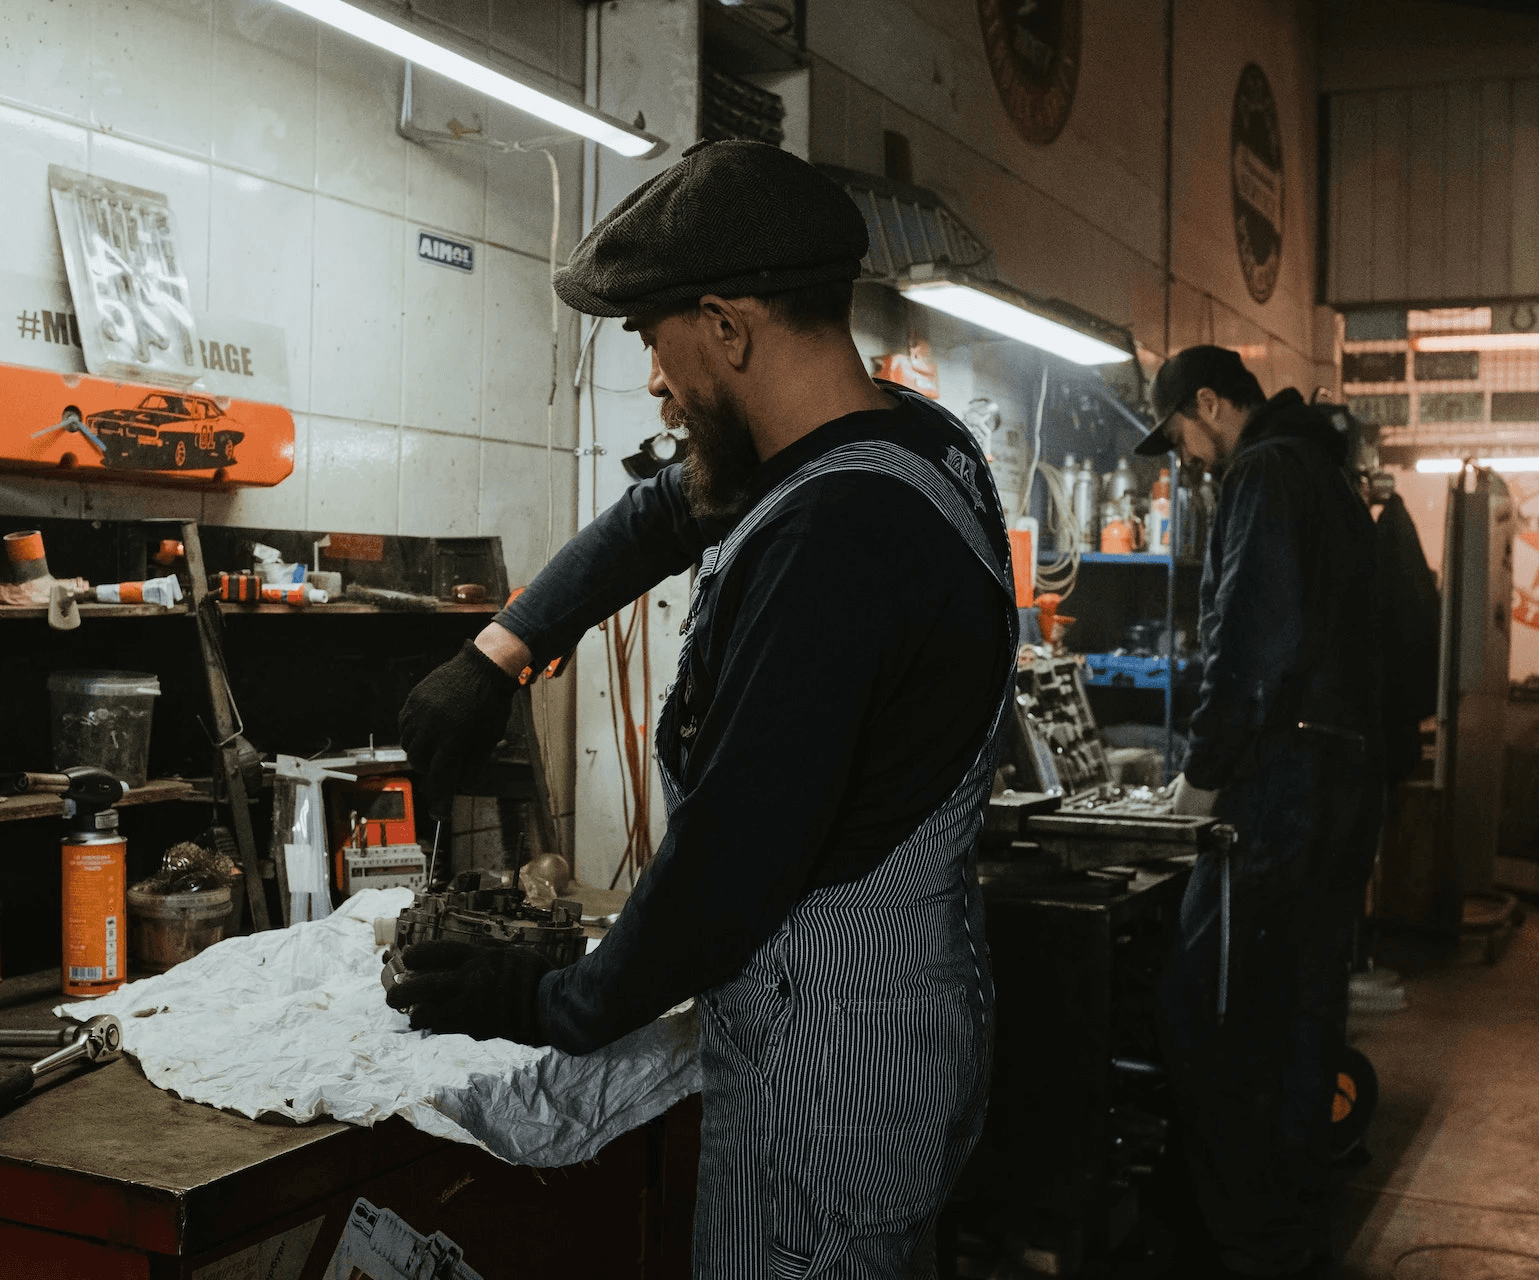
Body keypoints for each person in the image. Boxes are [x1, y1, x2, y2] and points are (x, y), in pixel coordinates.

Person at [390, 139, 1019, 1277]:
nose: (650, 378)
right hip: (908, 1011)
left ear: (727, 327)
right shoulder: (903, 440)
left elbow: (723, 873)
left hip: (825, 1068)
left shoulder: (833, 546)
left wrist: (544, 998)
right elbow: (660, 512)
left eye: (650, 336)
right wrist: (501, 649)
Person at [1138, 346, 1383, 1280]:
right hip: (1343, 778)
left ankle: (1239, 1242)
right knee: (1300, 1017)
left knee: (1210, 1015)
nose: (1187, 459)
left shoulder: (1266, 471)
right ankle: (1284, 1234)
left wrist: (1201, 777)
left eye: (1183, 437)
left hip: (1282, 786)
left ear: (1209, 403)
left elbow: (1251, 636)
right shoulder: (1323, 470)